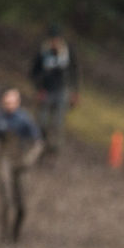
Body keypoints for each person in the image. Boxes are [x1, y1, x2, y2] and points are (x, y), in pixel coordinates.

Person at [0, 87, 43, 244]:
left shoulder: (24, 119)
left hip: (21, 161)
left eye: (12, 102)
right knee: (7, 200)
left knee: (22, 205)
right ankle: (4, 234)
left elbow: (38, 143)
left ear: (18, 102)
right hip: (3, 160)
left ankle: (16, 234)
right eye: (6, 102)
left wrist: (30, 159)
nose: (9, 106)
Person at [29, 23, 80, 158]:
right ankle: (40, 147)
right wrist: (38, 88)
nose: (55, 42)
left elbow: (74, 71)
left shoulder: (67, 51)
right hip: (45, 90)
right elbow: (33, 73)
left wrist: (75, 92)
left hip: (62, 91)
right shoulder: (43, 52)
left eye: (57, 39)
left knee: (58, 123)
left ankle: (54, 151)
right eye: (53, 39)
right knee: (42, 122)